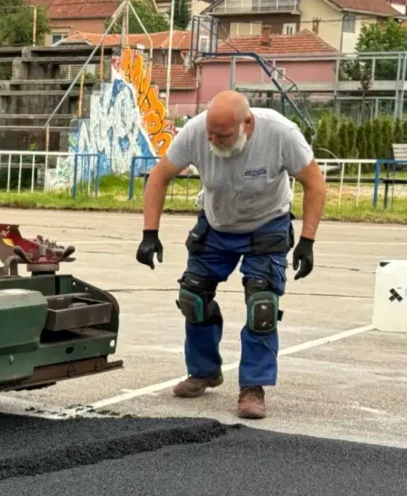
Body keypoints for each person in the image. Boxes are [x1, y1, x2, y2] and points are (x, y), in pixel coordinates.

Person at [138, 91, 325, 419]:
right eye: (211, 131)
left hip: (267, 226)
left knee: (261, 305)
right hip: (216, 223)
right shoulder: (197, 132)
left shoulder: (281, 134)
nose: (213, 139)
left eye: (222, 134)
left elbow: (314, 182)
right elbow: (159, 177)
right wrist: (149, 234)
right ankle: (204, 371)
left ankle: (253, 386)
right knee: (192, 298)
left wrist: (307, 240)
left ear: (247, 124)